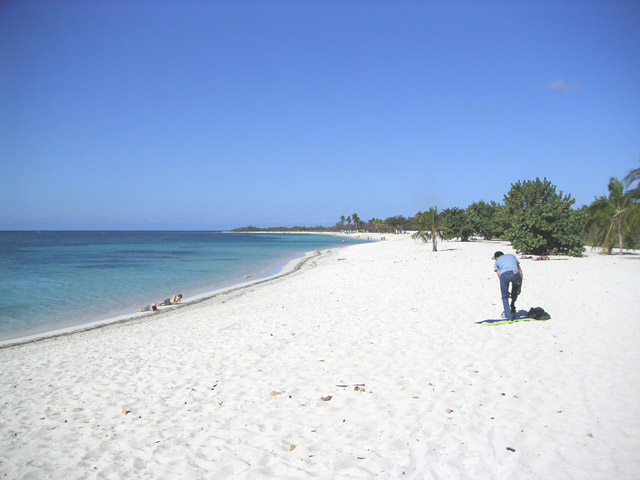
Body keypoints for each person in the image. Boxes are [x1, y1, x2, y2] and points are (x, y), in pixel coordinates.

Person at [493, 251, 523, 320]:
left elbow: (500, 276)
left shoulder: (497, 262)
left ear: (495, 258)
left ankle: (509, 316)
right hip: (515, 274)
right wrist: (520, 287)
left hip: (504, 275)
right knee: (515, 288)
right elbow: (521, 273)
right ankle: (513, 307)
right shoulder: (512, 256)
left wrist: (505, 290)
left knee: (504, 297)